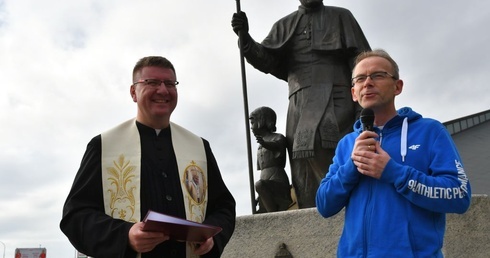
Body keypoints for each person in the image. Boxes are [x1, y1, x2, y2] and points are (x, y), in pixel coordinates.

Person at [60, 56, 236, 258]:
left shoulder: (199, 148)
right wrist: (124, 235)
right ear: (133, 92)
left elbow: (223, 207)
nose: (163, 90)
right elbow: (76, 216)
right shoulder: (103, 146)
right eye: (152, 82)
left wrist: (212, 237)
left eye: (170, 84)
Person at [316, 49, 471, 257]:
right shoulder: (347, 144)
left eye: (378, 75)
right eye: (360, 78)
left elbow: (459, 195)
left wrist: (395, 173)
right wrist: (352, 166)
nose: (368, 82)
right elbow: (324, 205)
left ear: (397, 87)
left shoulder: (430, 131)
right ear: (354, 92)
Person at [231, 0, 371, 208]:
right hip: (298, 105)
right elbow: (266, 60)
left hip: (337, 97)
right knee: (302, 167)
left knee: (338, 155)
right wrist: (245, 37)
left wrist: (363, 106)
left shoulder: (342, 17)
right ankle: (310, 217)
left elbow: (362, 63)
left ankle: (346, 213)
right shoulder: (285, 25)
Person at [250, 106, 293, 213]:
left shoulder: (278, 137)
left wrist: (265, 144)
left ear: (262, 121)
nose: (251, 127)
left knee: (259, 185)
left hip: (277, 178)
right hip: (264, 178)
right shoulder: (260, 145)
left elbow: (277, 146)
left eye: (252, 122)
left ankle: (274, 216)